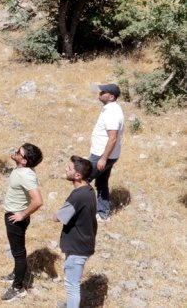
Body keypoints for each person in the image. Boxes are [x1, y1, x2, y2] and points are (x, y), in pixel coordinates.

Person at [1, 143, 44, 302]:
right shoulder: (21, 170)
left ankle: (18, 287)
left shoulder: (25, 175)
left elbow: (38, 201)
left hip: (15, 218)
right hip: (14, 215)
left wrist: (22, 215)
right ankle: (15, 274)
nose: (15, 151)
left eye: (18, 152)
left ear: (24, 161)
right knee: (16, 251)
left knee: (19, 253)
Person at [55, 156, 97, 308]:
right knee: (73, 285)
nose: (66, 170)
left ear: (78, 175)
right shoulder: (90, 190)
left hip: (77, 248)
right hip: (85, 243)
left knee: (72, 287)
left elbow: (59, 217)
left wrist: (54, 214)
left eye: (70, 168)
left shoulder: (78, 196)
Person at [88, 83, 124, 222]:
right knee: (102, 182)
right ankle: (103, 214)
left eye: (103, 92)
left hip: (102, 155)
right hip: (107, 155)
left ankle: (78, 212)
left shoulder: (112, 112)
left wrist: (103, 158)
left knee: (83, 180)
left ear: (111, 96)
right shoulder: (110, 109)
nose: (100, 93)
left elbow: (113, 137)